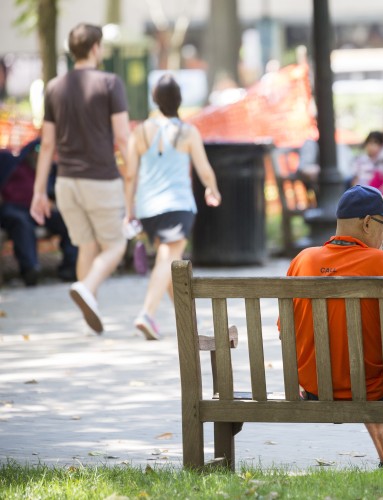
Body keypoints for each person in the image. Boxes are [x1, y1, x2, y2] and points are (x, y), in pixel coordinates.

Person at [284, 184, 383, 471]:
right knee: (376, 356)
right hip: (369, 387)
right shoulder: (379, 262)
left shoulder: (302, 260)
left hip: (315, 386)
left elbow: (285, 329)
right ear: (367, 223)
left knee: (359, 350)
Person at [30, 23, 131, 333]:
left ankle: (90, 313)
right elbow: (123, 138)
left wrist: (38, 192)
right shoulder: (110, 83)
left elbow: (47, 144)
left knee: (86, 246)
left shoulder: (54, 87)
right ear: (96, 48)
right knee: (115, 246)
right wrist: (133, 177)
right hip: (100, 180)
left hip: (66, 183)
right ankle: (87, 288)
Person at [123, 74, 222, 340]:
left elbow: (130, 175)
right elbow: (204, 169)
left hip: (148, 209)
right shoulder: (187, 131)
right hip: (177, 206)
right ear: (179, 100)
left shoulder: (139, 132)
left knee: (170, 263)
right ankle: (147, 314)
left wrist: (129, 210)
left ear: (154, 99)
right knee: (168, 260)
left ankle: (188, 324)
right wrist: (212, 189)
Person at [0, 139, 77, 285]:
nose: (39, 153)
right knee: (21, 223)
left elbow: (55, 191)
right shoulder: (10, 163)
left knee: (68, 220)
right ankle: (30, 270)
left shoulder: (49, 170)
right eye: (36, 150)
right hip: (14, 208)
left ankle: (70, 268)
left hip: (40, 209)